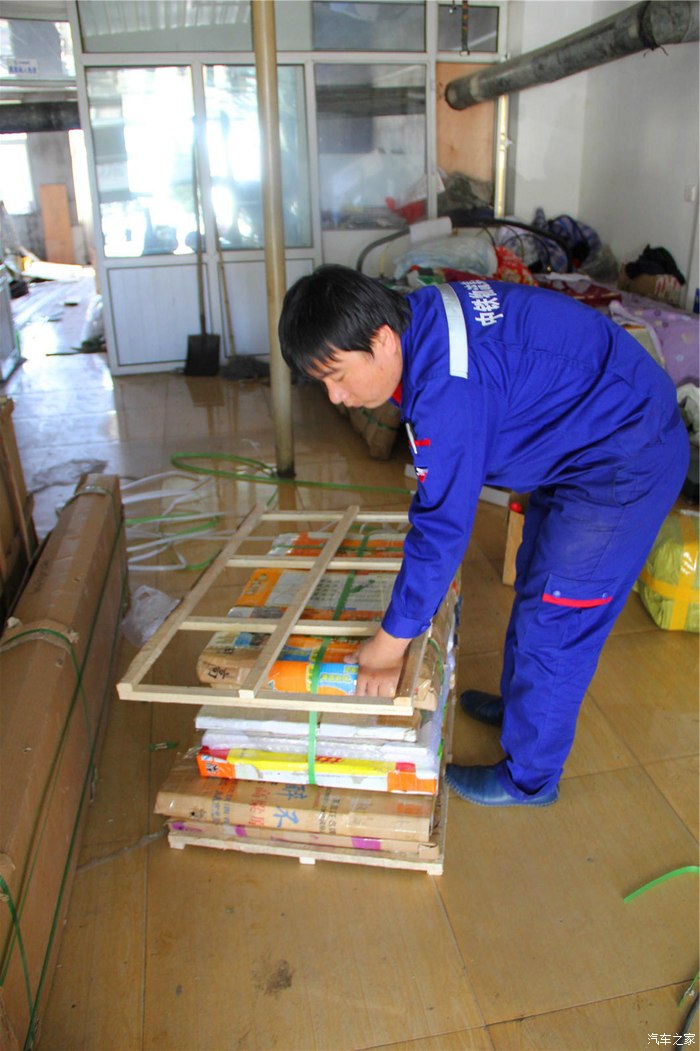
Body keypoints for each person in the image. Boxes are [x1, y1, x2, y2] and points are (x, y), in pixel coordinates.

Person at [278, 264, 689, 808]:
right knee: (538, 582)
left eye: (337, 376)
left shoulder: (446, 386)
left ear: (381, 339)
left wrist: (388, 644)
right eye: (323, 383)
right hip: (585, 435)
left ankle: (530, 779)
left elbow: (441, 530)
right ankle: (525, 706)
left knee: (557, 618)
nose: (335, 397)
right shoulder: (416, 317)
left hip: (625, 455)